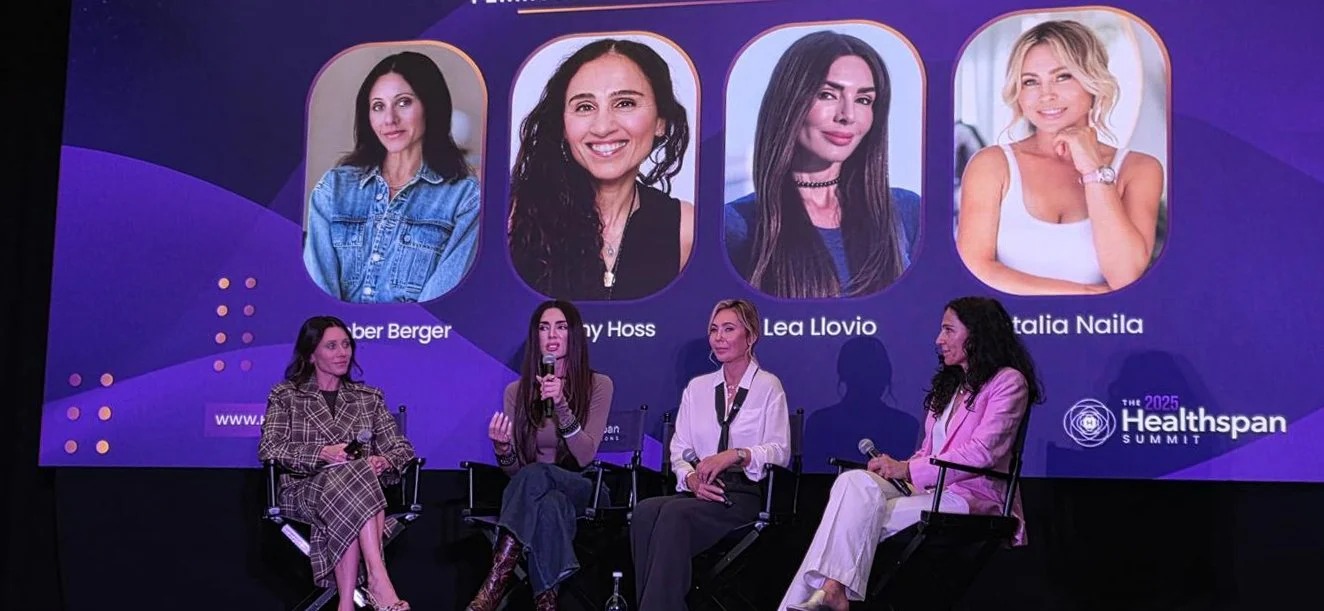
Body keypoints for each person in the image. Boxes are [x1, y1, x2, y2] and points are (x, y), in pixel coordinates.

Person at [779, 296, 1041, 611]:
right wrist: (900, 467)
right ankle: (832, 592)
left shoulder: (1008, 382)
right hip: (929, 489)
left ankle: (818, 597)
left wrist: (906, 470)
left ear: (977, 333)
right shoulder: (952, 387)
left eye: (948, 330)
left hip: (972, 497)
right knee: (853, 484)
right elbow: (929, 452)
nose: (938, 340)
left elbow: (983, 452)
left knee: (856, 519)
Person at [957, 20, 1164, 295]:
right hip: (1010, 331)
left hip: (1103, 330)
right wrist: (1084, 293)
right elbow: (976, 268)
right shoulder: (991, 165)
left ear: (1092, 81)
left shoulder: (1140, 169)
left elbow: (1125, 275)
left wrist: (1093, 170)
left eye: (1063, 76)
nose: (1046, 95)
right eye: (1030, 81)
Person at [725, 30, 919, 299]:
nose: (847, 115)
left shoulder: (906, 211)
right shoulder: (736, 225)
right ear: (791, 101)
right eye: (828, 95)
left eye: (864, 100)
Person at [630, 298, 791, 610]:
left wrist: (736, 454)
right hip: (699, 490)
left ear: (751, 335)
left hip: (740, 495)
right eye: (714, 330)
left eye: (728, 329)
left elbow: (779, 450)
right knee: (645, 511)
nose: (719, 337)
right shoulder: (698, 388)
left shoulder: (768, 386)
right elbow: (679, 449)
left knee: (675, 516)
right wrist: (690, 478)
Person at [508, 38, 695, 301]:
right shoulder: (512, 215)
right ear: (563, 126)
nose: (603, 126)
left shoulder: (686, 226)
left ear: (660, 122)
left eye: (625, 103)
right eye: (585, 107)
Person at [258, 316, 416, 611]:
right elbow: (270, 448)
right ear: (310, 354)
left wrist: (384, 460)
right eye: (331, 346)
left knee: (356, 477)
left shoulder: (368, 398)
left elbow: (402, 448)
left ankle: (345, 604)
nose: (342, 353)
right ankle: (377, 577)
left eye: (346, 345)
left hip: (356, 495)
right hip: (304, 492)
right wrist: (322, 453)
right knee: (354, 479)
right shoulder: (286, 396)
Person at [465, 300, 615, 611]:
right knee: (548, 503)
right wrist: (503, 450)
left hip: (583, 487)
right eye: (544, 327)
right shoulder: (516, 392)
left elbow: (585, 455)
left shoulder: (598, 384)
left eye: (561, 327)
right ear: (536, 337)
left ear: (574, 335)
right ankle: (546, 604)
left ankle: (494, 581)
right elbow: (517, 473)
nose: (552, 334)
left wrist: (561, 405)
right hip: (541, 497)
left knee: (538, 476)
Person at [304, 51, 480, 303]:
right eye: (378, 106)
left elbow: (441, 308)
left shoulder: (465, 197)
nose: (389, 119)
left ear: (431, 106)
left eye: (403, 102)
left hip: (414, 341)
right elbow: (318, 299)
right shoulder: (334, 188)